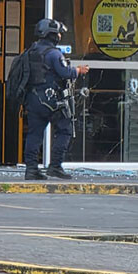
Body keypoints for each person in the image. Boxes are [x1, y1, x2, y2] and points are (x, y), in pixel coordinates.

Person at [24, 19, 89, 180]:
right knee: (64, 130)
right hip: (51, 100)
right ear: (52, 35)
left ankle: (31, 169)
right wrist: (79, 70)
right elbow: (65, 73)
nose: (60, 36)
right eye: (58, 33)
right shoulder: (54, 54)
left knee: (34, 134)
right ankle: (55, 166)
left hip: (33, 99)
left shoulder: (32, 51)